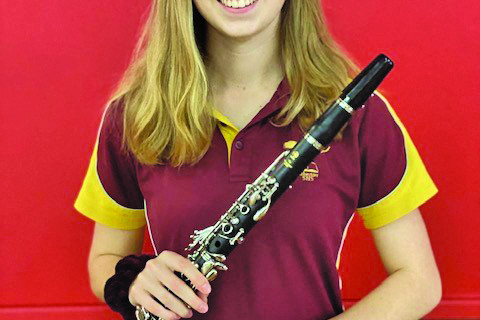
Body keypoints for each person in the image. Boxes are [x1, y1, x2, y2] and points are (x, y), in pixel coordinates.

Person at [74, 0, 442, 319]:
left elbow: (419, 280)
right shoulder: (136, 114)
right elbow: (103, 259)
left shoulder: (361, 116)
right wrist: (134, 281)